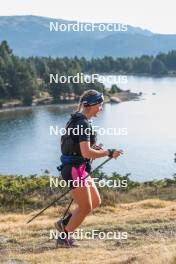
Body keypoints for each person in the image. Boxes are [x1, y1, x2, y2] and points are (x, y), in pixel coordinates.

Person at [55, 89, 122, 247]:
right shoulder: (82, 123)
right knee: (86, 207)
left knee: (95, 201)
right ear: (93, 105)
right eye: (101, 105)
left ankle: (64, 223)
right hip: (74, 170)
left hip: (78, 168)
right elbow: (86, 152)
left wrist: (94, 149)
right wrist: (108, 152)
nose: (101, 108)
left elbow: (79, 149)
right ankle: (64, 238)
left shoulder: (77, 120)